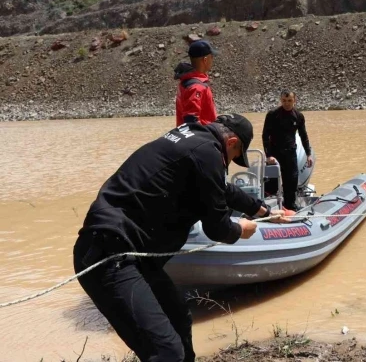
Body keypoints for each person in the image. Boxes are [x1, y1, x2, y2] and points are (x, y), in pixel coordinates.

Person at [73, 114, 289, 362]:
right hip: (109, 257)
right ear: (231, 143)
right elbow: (218, 229)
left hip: (132, 255)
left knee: (179, 318)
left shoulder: (191, 138)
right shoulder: (207, 153)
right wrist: (240, 229)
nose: (229, 164)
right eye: (234, 157)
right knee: (166, 353)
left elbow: (223, 190)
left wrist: (265, 212)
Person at [262, 90, 313, 211]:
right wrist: (268, 155)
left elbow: (303, 136)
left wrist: (308, 154)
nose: (287, 103)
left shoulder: (298, 116)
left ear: (295, 100)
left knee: (292, 180)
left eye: (290, 100)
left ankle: (290, 205)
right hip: (275, 153)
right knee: (271, 183)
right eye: (284, 101)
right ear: (280, 100)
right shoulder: (273, 114)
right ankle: (268, 207)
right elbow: (265, 135)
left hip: (290, 152)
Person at [174, 39, 218, 126]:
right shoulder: (197, 87)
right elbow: (191, 120)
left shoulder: (186, 81)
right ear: (205, 59)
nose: (212, 60)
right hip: (203, 137)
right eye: (211, 57)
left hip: (186, 136)